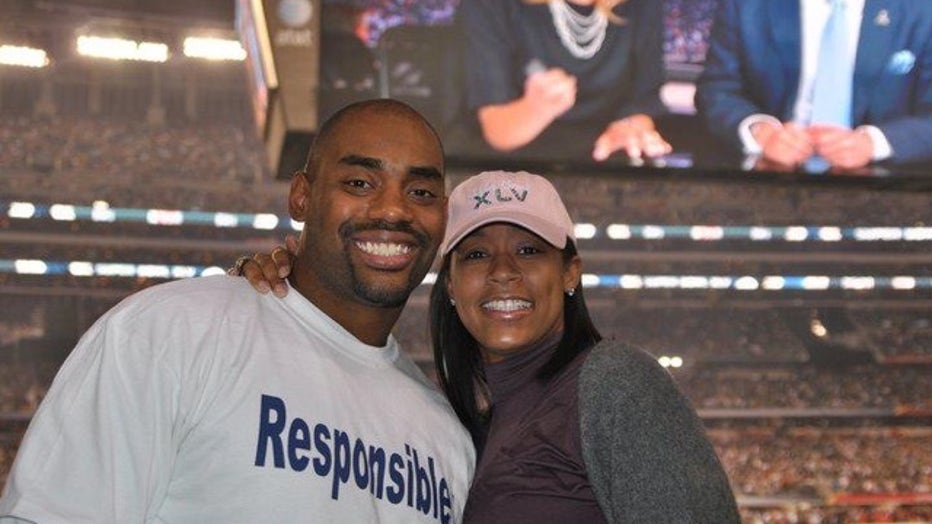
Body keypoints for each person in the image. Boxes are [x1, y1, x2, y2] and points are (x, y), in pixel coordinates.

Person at [0, 99, 475, 523]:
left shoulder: (447, 437)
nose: (393, 210)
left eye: (421, 192)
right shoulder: (169, 335)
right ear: (302, 197)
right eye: (359, 182)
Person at [240, 170, 742, 522]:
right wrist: (281, 296)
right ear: (452, 285)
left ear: (570, 272)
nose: (504, 271)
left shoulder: (616, 382)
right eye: (477, 253)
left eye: (529, 250)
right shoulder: (459, 423)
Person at [694, 0, 932, 172]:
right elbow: (716, 89)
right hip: (772, 176)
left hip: (888, 185)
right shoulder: (747, 5)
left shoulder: (922, 10)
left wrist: (873, 143)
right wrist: (761, 131)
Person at [455, 0, 672, 163]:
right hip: (514, 171)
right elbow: (497, 130)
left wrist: (632, 126)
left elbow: (645, 98)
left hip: (606, 165)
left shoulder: (643, 5)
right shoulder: (490, 6)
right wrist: (535, 109)